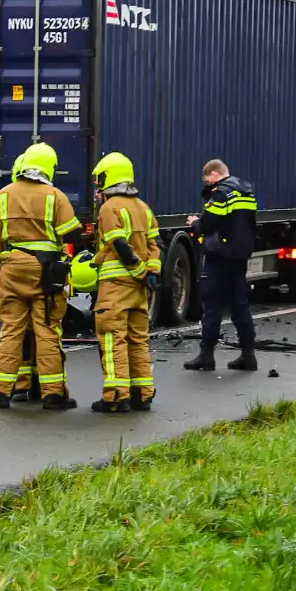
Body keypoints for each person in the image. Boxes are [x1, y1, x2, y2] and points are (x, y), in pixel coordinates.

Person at [0, 142, 83, 410]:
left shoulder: (4, 194)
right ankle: (53, 395)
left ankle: (0, 393)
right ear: (49, 167)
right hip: (45, 271)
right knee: (47, 330)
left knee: (11, 329)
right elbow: (73, 233)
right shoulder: (55, 196)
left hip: (12, 268)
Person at [87, 152, 162, 413]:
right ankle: (142, 393)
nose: (98, 187)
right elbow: (155, 245)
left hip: (116, 285)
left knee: (112, 338)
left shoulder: (110, 208)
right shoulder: (143, 207)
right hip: (138, 290)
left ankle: (116, 396)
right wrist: (150, 273)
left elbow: (120, 245)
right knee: (137, 339)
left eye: (100, 180)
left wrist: (138, 270)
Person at [184, 158, 259, 372]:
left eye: (207, 178)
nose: (207, 183)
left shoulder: (221, 193)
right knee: (239, 304)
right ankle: (248, 354)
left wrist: (194, 223)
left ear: (214, 174)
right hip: (240, 254)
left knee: (212, 304)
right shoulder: (247, 192)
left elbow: (209, 223)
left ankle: (206, 355)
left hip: (219, 255)